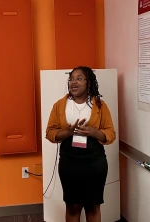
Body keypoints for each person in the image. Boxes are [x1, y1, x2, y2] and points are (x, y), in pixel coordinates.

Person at [46, 66, 116, 222]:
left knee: (93, 206)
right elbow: (50, 133)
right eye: (71, 79)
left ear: (89, 82)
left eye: (79, 78)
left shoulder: (100, 105)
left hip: (95, 162)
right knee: (72, 206)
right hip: (70, 163)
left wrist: (93, 132)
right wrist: (68, 132)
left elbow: (111, 134)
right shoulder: (59, 105)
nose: (73, 82)